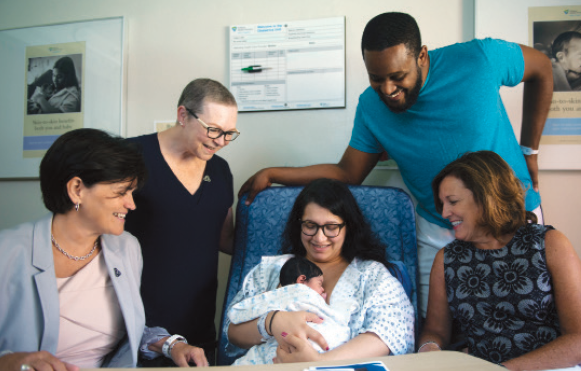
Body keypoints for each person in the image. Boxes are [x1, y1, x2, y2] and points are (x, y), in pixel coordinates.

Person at [238, 12, 553, 317]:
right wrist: (273, 173)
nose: (387, 90)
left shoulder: (480, 59)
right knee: (437, 327)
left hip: (510, 215)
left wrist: (531, 150)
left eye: (397, 77)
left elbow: (542, 67)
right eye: (377, 79)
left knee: (528, 314)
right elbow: (348, 173)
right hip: (438, 227)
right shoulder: (371, 107)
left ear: (422, 57)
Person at [0, 129, 208, 371]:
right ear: (77, 189)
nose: (131, 204)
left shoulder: (126, 247)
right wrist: (5, 362)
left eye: (132, 192)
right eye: (121, 192)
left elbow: (128, 330)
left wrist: (170, 344)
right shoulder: (6, 253)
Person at [417, 151, 581, 371]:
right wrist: (429, 347)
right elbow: (436, 331)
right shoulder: (447, 260)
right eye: (442, 204)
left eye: (452, 201)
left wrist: (503, 369)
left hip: (563, 366)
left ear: (486, 197)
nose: (444, 213)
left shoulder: (548, 244)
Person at [226, 178, 414, 364]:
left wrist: (319, 362)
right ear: (298, 224)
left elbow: (391, 333)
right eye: (310, 225)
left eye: (331, 227)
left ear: (348, 227)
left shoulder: (372, 275)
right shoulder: (270, 270)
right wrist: (271, 322)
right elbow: (232, 330)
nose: (319, 237)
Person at [124, 78, 239, 366]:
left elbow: (225, 239)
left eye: (229, 133)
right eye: (213, 129)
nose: (221, 141)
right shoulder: (130, 157)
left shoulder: (221, 171)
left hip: (198, 330)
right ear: (182, 115)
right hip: (139, 329)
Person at [227, 256, 352, 365]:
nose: (323, 290)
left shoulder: (277, 295)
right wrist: (272, 321)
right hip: (291, 346)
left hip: (302, 352)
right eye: (320, 284)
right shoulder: (288, 292)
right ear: (302, 280)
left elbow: (242, 311)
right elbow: (234, 319)